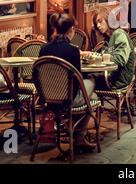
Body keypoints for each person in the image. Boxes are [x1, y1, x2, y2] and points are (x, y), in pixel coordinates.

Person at [39, 13, 95, 153]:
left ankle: (77, 134)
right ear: (70, 30)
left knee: (88, 96)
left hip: (48, 99)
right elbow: (77, 79)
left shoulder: (43, 49)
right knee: (92, 88)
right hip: (68, 99)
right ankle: (79, 137)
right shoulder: (73, 51)